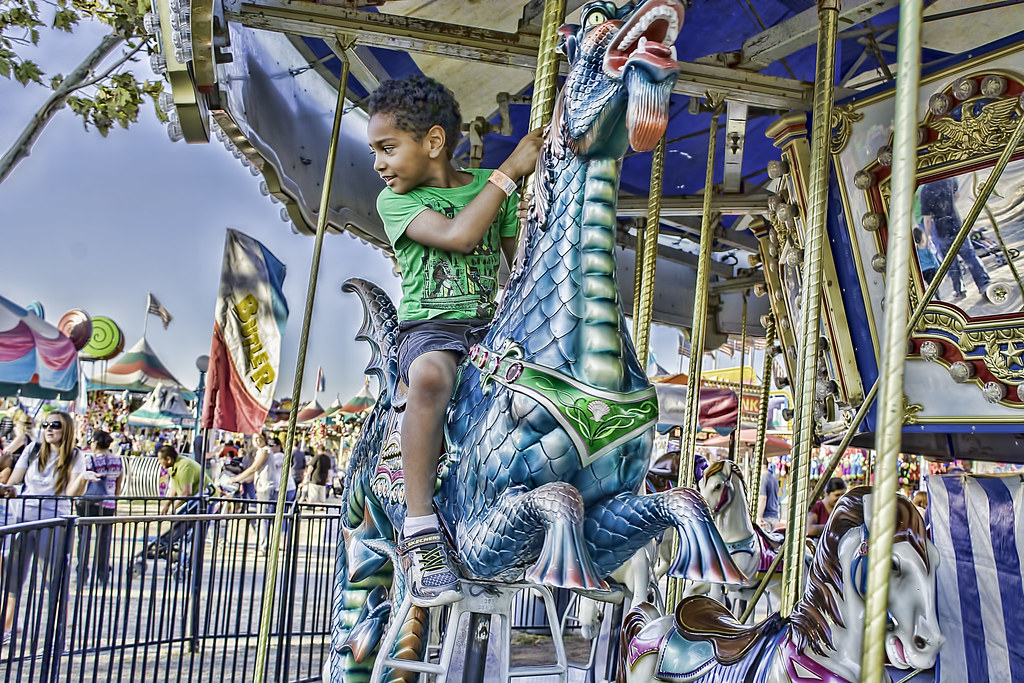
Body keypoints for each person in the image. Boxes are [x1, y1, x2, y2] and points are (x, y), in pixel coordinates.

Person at [367, 74, 542, 607]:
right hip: (433, 329)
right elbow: (459, 237)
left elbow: (521, 264)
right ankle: (421, 527)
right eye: (375, 150)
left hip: (492, 328)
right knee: (431, 377)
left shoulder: (489, 187)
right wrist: (511, 172)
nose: (378, 163)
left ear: (434, 143)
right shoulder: (395, 203)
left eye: (387, 148)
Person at [0, 411, 90, 640]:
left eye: (55, 425)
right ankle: (6, 629)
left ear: (66, 429)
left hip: (52, 522)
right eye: (46, 424)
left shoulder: (74, 456)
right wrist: (8, 488)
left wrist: (83, 479)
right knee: (13, 578)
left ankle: (57, 634)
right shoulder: (32, 451)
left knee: (54, 579)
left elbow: (70, 493)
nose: (49, 429)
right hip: (22, 520)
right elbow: (12, 482)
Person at [918, 177, 990, 301]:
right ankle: (984, 284)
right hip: (956, 223)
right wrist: (949, 206)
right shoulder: (949, 179)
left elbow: (927, 219)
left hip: (941, 230)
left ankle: (960, 290)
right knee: (970, 256)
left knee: (951, 262)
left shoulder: (925, 191)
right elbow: (956, 195)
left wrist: (928, 235)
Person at [75, 429, 124, 585]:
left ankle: (82, 573)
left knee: (84, 539)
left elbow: (82, 481)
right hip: (108, 504)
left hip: (89, 503)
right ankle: (103, 574)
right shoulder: (118, 461)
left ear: (95, 443)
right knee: (104, 540)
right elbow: (118, 486)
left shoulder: (89, 460)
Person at [157, 445, 203, 515]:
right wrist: (167, 505)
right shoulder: (172, 466)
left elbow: (186, 493)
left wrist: (174, 507)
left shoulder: (184, 466)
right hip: (195, 501)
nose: (159, 462)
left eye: (160, 459)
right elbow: (173, 488)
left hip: (204, 500)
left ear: (168, 459)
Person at [756, 461, 781, 534]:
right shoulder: (773, 478)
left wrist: (759, 517)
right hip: (774, 516)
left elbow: (762, 498)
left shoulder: (763, 478)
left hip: (766, 518)